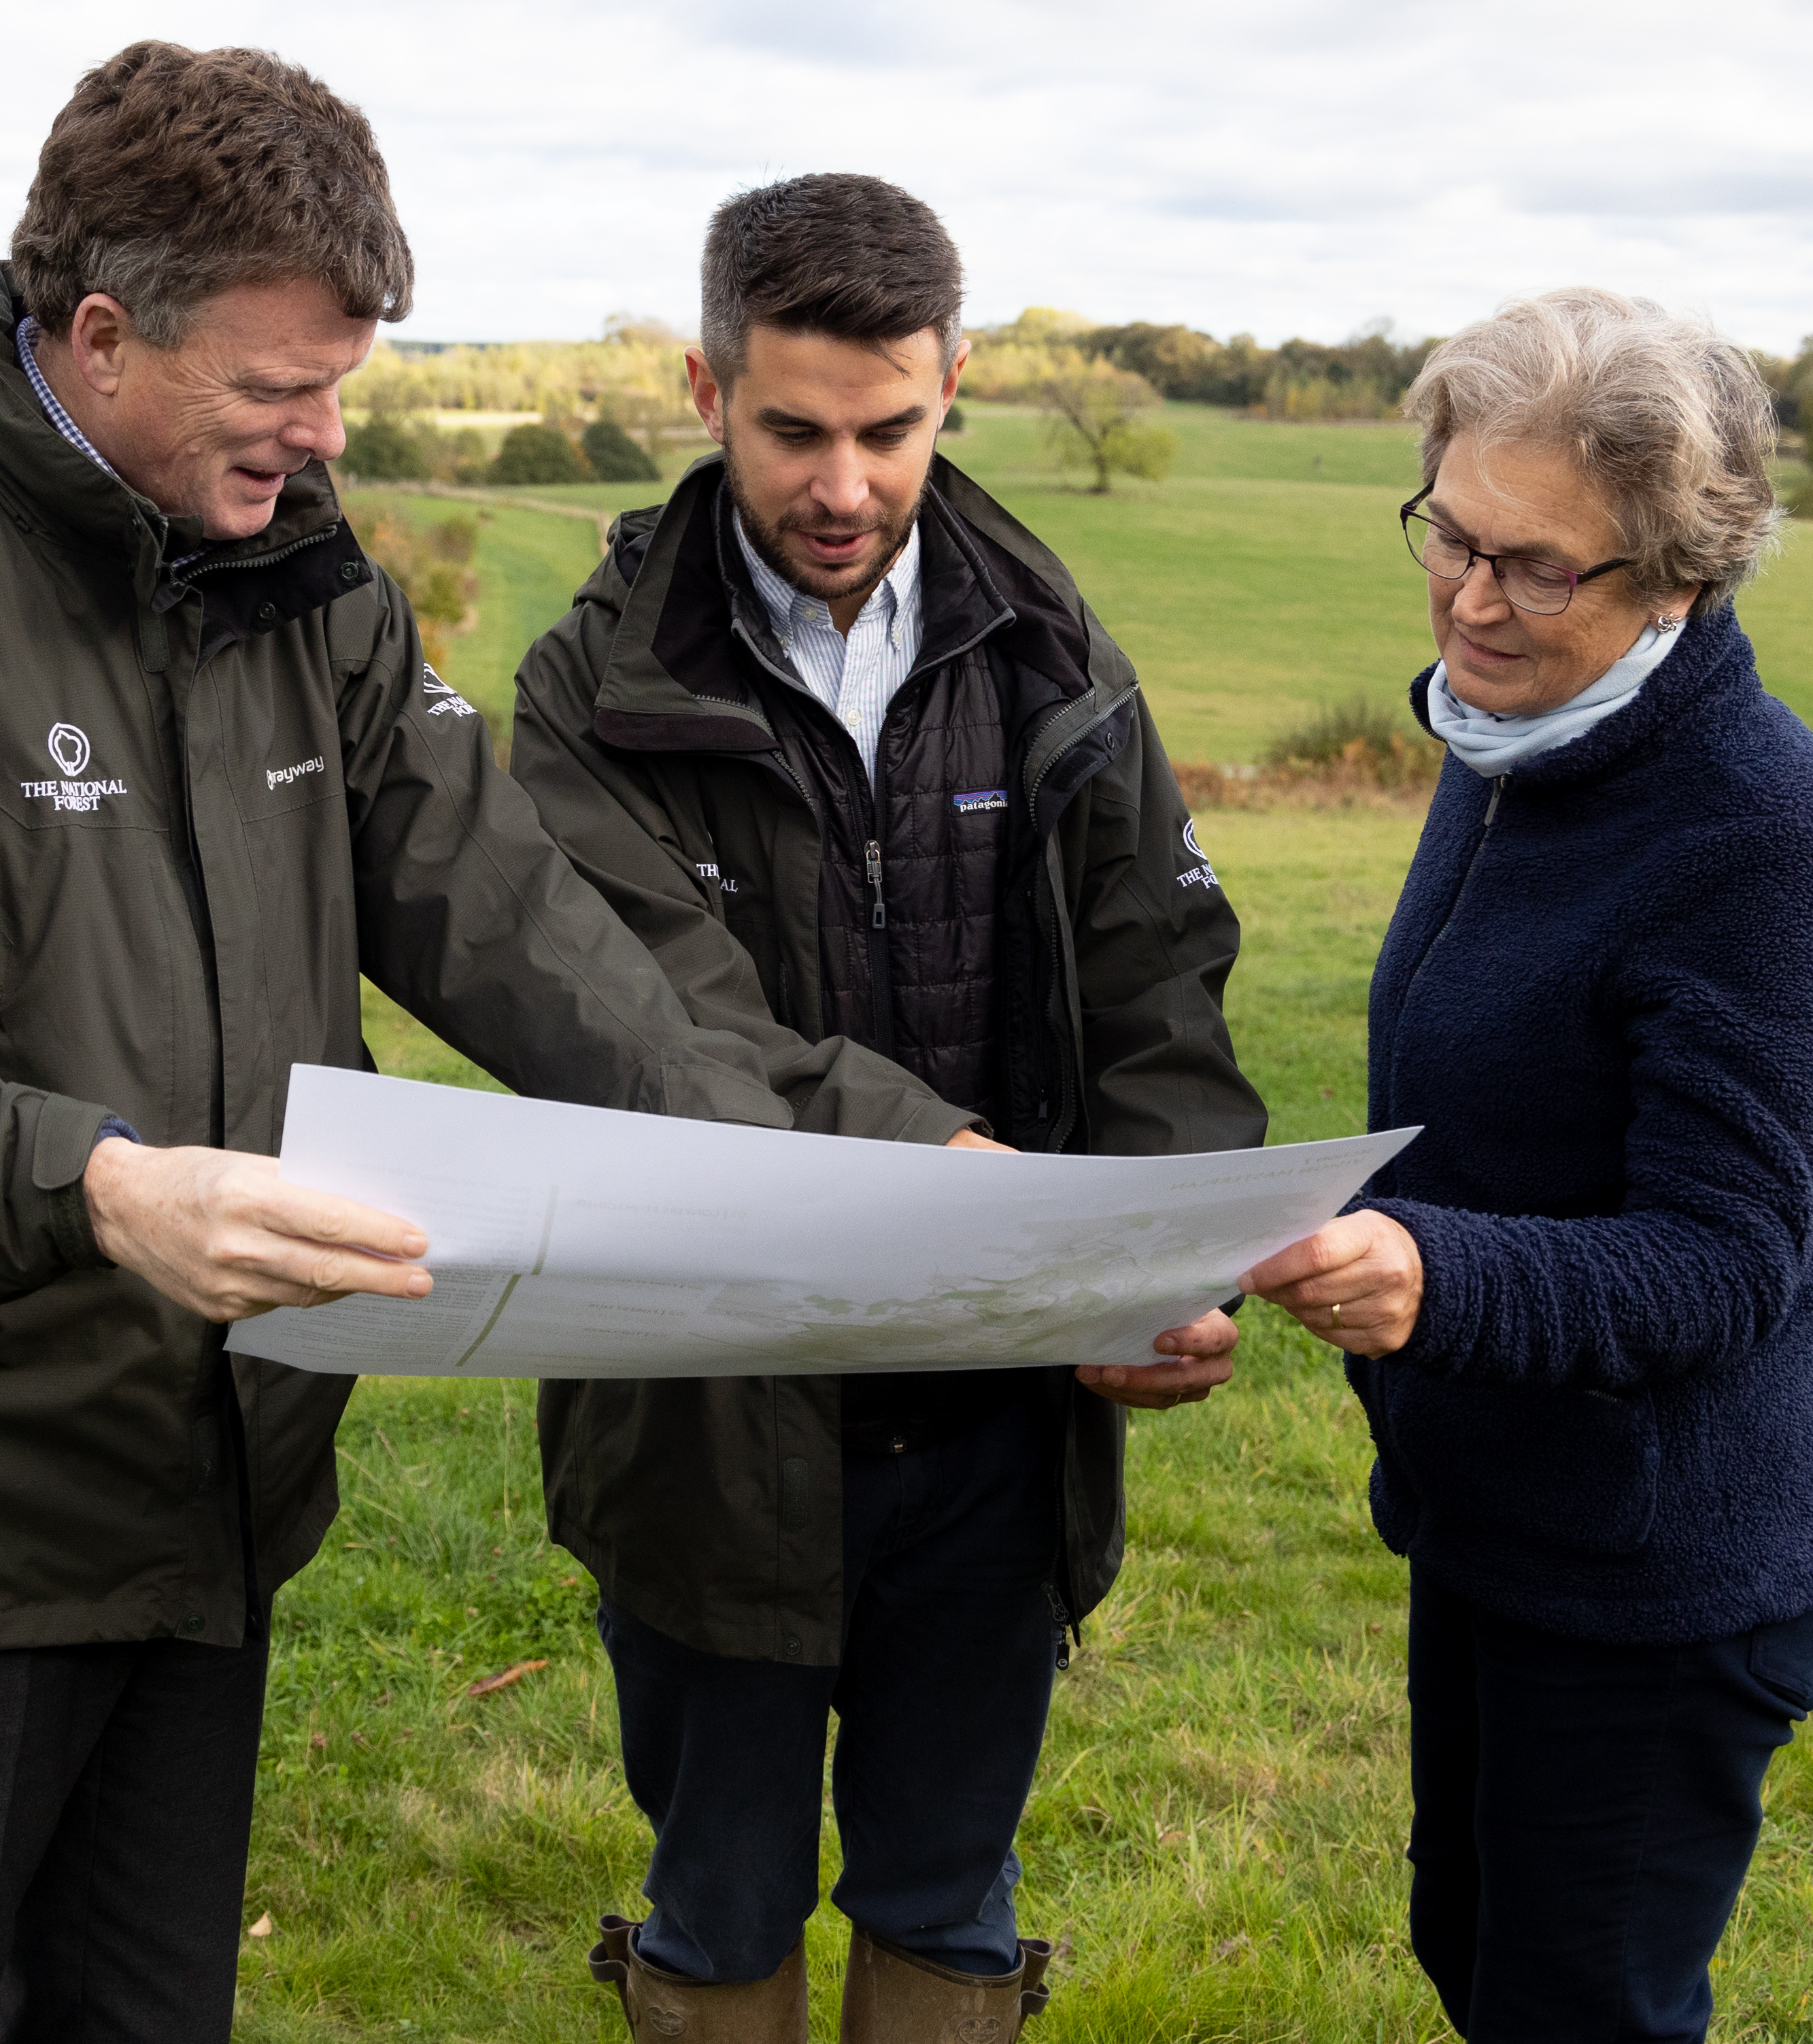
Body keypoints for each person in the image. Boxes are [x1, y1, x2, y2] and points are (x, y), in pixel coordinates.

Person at [0, 41, 819, 2044]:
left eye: (342, 383)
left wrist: (799, 1170)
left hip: (211, 1495)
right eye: (282, 389)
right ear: (102, 337)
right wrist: (91, 1186)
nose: (325, 433)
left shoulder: (299, 574)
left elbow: (510, 912)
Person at [511, 173, 1265, 2044]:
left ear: (955, 392)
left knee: (947, 1890)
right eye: (792, 430)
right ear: (702, 388)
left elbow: (1160, 985)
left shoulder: (1055, 660)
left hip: (997, 1436)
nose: (841, 483)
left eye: (888, 428)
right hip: (708, 1424)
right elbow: (661, 1041)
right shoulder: (581, 698)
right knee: (723, 1900)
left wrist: (1161, 1252)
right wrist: (933, 1162)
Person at [1242, 287, 1813, 2043]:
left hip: (1663, 1576)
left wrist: (1436, 1276)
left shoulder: (1757, 843)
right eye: (1449, 535)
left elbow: (1721, 1256)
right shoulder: (1516, 735)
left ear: (1680, 575)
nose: (1470, 597)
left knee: (1576, 2014)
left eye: (1536, 568)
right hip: (1504, 1525)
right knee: (1480, 1963)